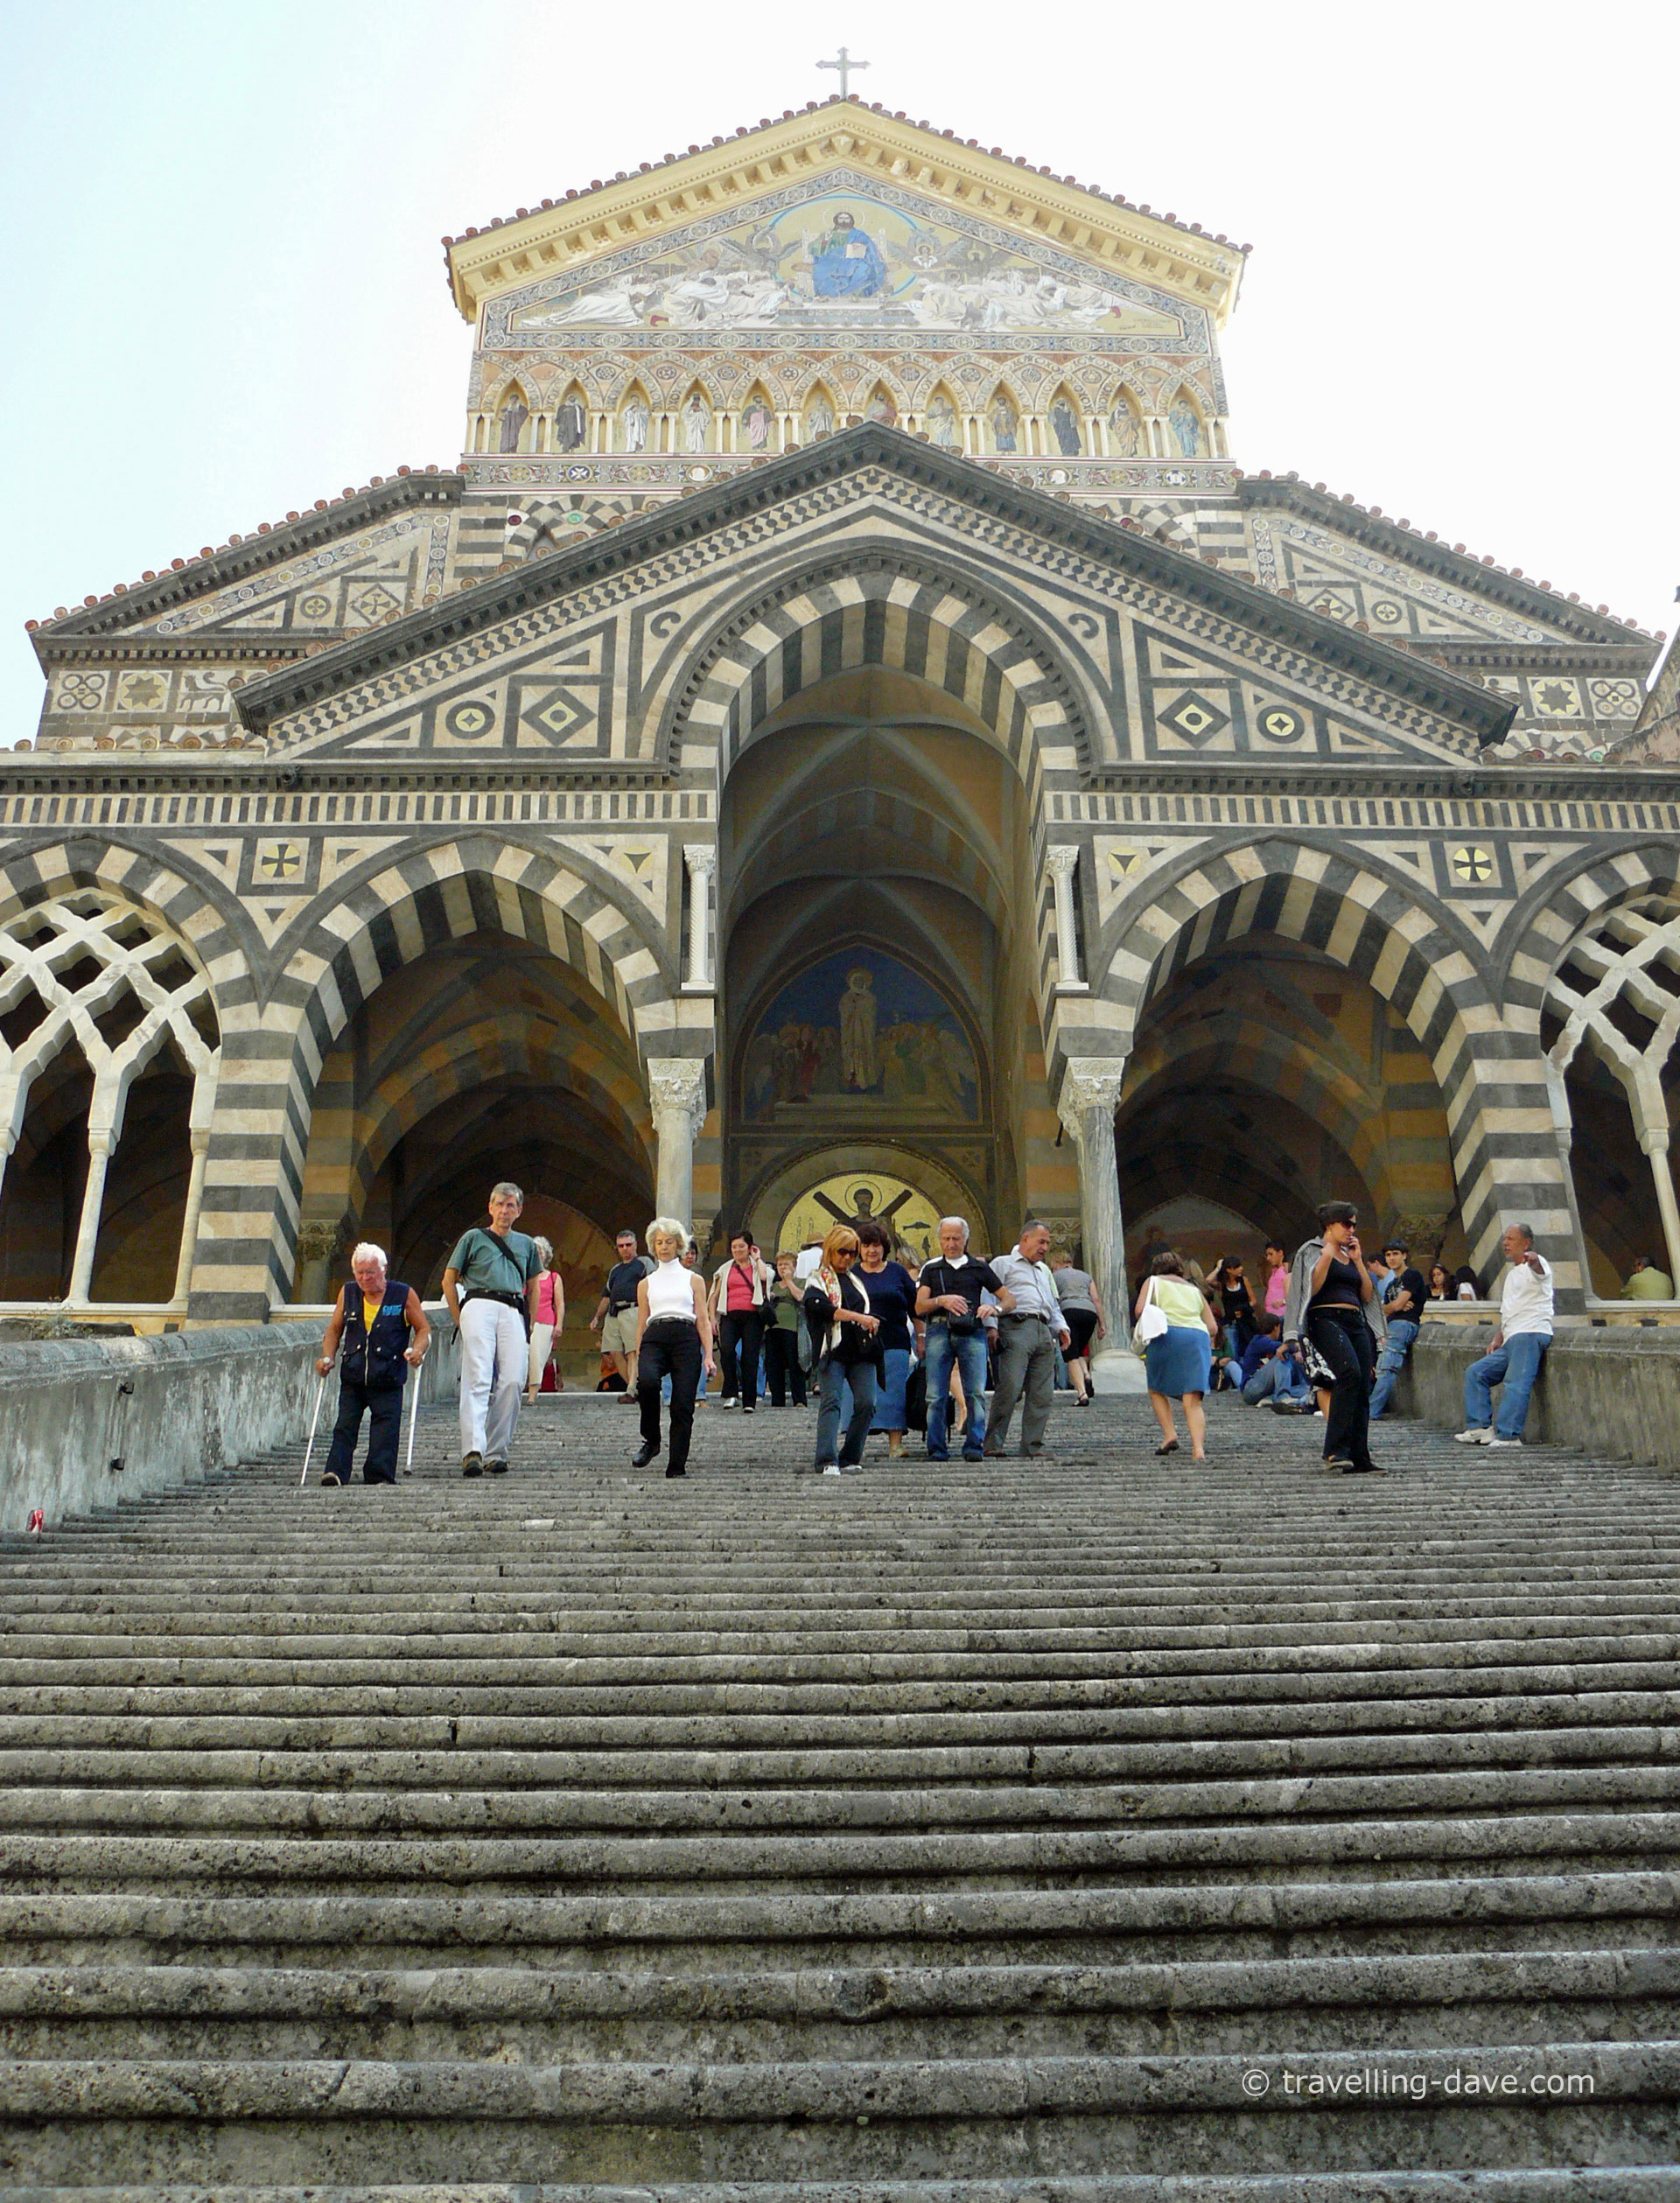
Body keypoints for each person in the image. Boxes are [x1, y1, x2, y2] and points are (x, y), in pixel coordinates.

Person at [441, 1183, 545, 1478]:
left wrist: (531, 1321)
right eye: (499, 1204)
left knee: (513, 1380)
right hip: (479, 1303)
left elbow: (534, 1285)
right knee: (477, 1376)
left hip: (513, 1308)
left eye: (511, 1205)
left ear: (519, 1210)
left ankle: (497, 1451)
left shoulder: (526, 1245)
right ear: (490, 1207)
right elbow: (449, 1280)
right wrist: (458, 1316)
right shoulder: (473, 1238)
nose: (504, 1210)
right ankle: (473, 1450)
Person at [1283, 1201, 1387, 1475]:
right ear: (1330, 1224)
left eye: (1354, 1224)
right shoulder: (1312, 1250)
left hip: (1355, 1322)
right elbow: (1310, 1288)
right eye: (1346, 1224)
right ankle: (1335, 1450)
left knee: (1364, 1383)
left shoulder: (1350, 1254)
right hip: (1325, 1319)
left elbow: (1366, 1295)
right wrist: (1328, 1254)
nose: (1351, 1229)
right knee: (1348, 1373)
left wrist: (1357, 1261)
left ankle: (1360, 1456)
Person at [314, 1241, 430, 1486]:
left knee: (385, 1429)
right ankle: (335, 1471)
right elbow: (335, 1329)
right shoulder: (348, 1293)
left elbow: (423, 1329)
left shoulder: (403, 1294)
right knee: (344, 1425)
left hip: (388, 1373)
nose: (365, 1278)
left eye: (371, 1272)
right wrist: (327, 1357)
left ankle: (379, 1474)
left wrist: (417, 1351)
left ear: (383, 1270)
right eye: (360, 1273)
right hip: (354, 1373)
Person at [916, 1217, 1009, 1461]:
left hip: (972, 1331)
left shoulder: (979, 1268)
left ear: (965, 1240)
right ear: (939, 1240)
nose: (950, 1243)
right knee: (935, 1393)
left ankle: (974, 1445)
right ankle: (936, 1448)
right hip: (939, 1329)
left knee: (976, 1391)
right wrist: (941, 1300)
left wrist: (994, 1310)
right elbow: (918, 1306)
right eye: (946, 1238)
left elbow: (1009, 1299)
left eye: (956, 1238)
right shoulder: (932, 1268)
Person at [1456, 1224, 1554, 1448]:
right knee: (1476, 1373)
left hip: (1530, 1333)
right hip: (1512, 1337)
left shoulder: (1536, 1265)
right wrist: (1498, 1338)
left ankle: (1509, 1435)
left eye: (1511, 1239)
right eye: (1505, 1239)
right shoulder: (1511, 1274)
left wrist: (1534, 1259)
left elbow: (1540, 1270)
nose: (1505, 1243)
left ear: (1526, 1243)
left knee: (1516, 1382)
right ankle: (1480, 1428)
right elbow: (1510, 1310)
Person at [632, 1218, 714, 1477]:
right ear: (653, 1247)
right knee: (647, 1382)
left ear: (678, 1245)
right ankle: (652, 1440)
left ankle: (676, 1465)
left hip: (686, 1336)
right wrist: (636, 1358)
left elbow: (702, 1319)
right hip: (655, 1334)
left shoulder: (694, 1280)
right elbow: (641, 1322)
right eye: (659, 1242)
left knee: (682, 1404)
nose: (664, 1247)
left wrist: (709, 1356)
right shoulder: (646, 1283)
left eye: (669, 1242)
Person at [985, 1220, 1072, 1460]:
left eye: (1047, 1243)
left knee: (1042, 1393)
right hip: (1015, 1326)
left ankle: (1032, 1446)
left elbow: (1051, 1302)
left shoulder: (1043, 1270)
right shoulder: (1002, 1264)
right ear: (1025, 1238)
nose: (1045, 1247)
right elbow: (988, 1296)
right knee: (1010, 1387)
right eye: (1041, 1241)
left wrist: (1061, 1327)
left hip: (1043, 1330)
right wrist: (991, 1327)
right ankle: (993, 1443)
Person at [802, 1224, 881, 1474]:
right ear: (830, 1250)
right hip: (833, 1350)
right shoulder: (817, 1280)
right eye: (842, 1251)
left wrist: (868, 1321)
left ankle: (850, 1455)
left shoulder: (855, 1280)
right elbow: (822, 1308)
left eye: (852, 1253)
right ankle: (826, 1458)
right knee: (832, 1401)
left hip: (860, 1350)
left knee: (868, 1403)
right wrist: (859, 1317)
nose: (847, 1257)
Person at [1135, 1250, 1221, 1457]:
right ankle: (1198, 1448)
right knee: (1193, 1399)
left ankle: (1169, 1434)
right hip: (1197, 1337)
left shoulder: (1153, 1281)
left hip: (1167, 1334)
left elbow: (1139, 1311)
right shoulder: (1194, 1289)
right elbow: (1213, 1327)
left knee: (1156, 1388)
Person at [857, 1219, 920, 1458]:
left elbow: (915, 1307)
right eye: (866, 1245)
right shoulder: (851, 1274)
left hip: (895, 1340)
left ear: (884, 1247)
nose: (871, 1250)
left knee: (895, 1392)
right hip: (861, 1343)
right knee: (862, 1394)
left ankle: (896, 1444)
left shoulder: (898, 1272)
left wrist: (921, 1337)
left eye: (876, 1245)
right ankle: (857, 1444)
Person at [709, 1230, 774, 1412]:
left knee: (750, 1357)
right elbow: (715, 1294)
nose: (737, 1250)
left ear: (750, 1247)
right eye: (734, 1247)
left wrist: (758, 1257)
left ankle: (749, 1400)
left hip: (752, 1316)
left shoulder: (757, 1266)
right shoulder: (725, 1268)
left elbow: (763, 1277)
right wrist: (712, 1318)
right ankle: (730, 1393)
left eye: (741, 1246)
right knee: (727, 1350)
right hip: (730, 1315)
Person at [1368, 1239, 1428, 1420]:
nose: (1392, 1258)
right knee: (1382, 1367)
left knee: (1386, 1367)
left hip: (1404, 1324)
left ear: (1404, 1255)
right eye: (1388, 1255)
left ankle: (1371, 1412)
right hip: (1392, 1325)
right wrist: (1393, 1306)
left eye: (1395, 1254)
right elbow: (1384, 1310)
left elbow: (1395, 1306)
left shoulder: (1412, 1275)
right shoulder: (1392, 1284)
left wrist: (1394, 1306)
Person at [590, 1230, 650, 1396]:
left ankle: (632, 1389)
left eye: (628, 1245)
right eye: (621, 1246)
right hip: (613, 1313)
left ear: (635, 1245)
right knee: (613, 1351)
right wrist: (597, 1316)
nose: (625, 1249)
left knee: (632, 1351)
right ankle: (632, 1387)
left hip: (633, 1309)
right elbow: (607, 1295)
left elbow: (653, 1286)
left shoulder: (643, 1263)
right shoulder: (615, 1270)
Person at [1050, 1248, 1105, 1404]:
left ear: (1056, 1263)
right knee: (1079, 1350)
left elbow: (1051, 1298)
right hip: (1089, 1313)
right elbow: (1096, 1299)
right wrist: (1102, 1324)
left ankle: (1082, 1394)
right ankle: (1086, 1375)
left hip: (1069, 1311)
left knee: (1071, 1355)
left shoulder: (1055, 1276)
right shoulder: (1086, 1276)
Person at [1236, 1312, 1312, 1410]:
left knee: (1307, 1390)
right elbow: (1284, 1348)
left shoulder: (1259, 1341)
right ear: (1276, 1327)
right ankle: (1282, 1397)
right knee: (1284, 1355)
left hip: (1263, 1391)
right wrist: (1295, 1347)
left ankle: (1270, 1399)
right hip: (1251, 1387)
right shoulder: (1259, 1341)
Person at [762, 1251, 808, 1408]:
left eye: (786, 1264)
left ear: (794, 1267)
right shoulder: (773, 1285)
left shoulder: (801, 1282)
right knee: (774, 1365)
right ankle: (777, 1400)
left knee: (795, 1363)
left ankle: (799, 1399)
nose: (783, 1268)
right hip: (773, 1327)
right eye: (780, 1265)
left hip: (792, 1328)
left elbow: (801, 1297)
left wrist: (789, 1281)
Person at [525, 1236, 564, 1402]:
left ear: (545, 1255)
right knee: (524, 1357)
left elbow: (560, 1304)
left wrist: (559, 1325)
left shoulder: (554, 1277)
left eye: (540, 1251)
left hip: (545, 1322)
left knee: (536, 1357)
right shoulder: (525, 1277)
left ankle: (532, 1395)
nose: (537, 1255)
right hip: (526, 1321)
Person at [1210, 1255, 1256, 1359]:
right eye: (1237, 1267)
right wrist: (1218, 1268)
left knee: (1248, 1350)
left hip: (1246, 1321)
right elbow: (1209, 1280)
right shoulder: (1223, 1285)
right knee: (1233, 1352)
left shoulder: (1244, 1280)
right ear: (1229, 1270)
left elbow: (1253, 1300)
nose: (1241, 1269)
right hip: (1230, 1323)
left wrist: (1244, 1308)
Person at [1262, 1242, 1291, 1322]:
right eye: (1267, 1255)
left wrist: (1284, 1301)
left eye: (1271, 1254)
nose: (1268, 1258)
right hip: (1271, 1314)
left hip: (1282, 1313)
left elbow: (1296, 1290)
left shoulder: (1287, 1270)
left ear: (1280, 1253)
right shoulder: (1273, 1270)